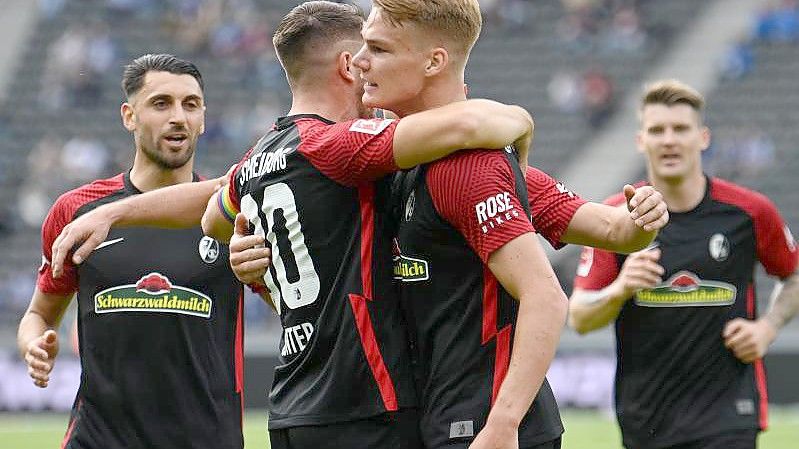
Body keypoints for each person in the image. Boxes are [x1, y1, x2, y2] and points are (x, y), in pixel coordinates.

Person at [48, 3, 540, 448]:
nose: (369, 64)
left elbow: (212, 212)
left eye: (380, 50)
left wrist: (121, 211)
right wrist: (521, 120)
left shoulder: (265, 154)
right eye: (366, 51)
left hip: (292, 405)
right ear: (346, 66)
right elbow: (471, 125)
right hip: (362, 398)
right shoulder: (341, 146)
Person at [347, 1, 668, 448]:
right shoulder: (408, 158)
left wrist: (503, 424)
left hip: (483, 427)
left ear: (434, 61)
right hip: (443, 417)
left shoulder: (468, 169)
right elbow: (613, 230)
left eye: (378, 48)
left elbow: (548, 294)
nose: (360, 61)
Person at [17, 54, 246, 449]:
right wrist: (34, 345)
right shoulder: (76, 212)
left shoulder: (231, 210)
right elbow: (39, 314)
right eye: (161, 103)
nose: (178, 117)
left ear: (204, 118)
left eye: (190, 105)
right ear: (129, 115)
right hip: (97, 439)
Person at [569, 79, 799, 449]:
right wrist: (620, 288)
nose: (669, 139)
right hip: (647, 418)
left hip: (728, 413)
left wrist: (768, 328)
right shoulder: (614, 216)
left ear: (703, 137)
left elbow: (794, 275)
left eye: (680, 129)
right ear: (641, 140)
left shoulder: (749, 212)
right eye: (657, 130)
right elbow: (579, 317)